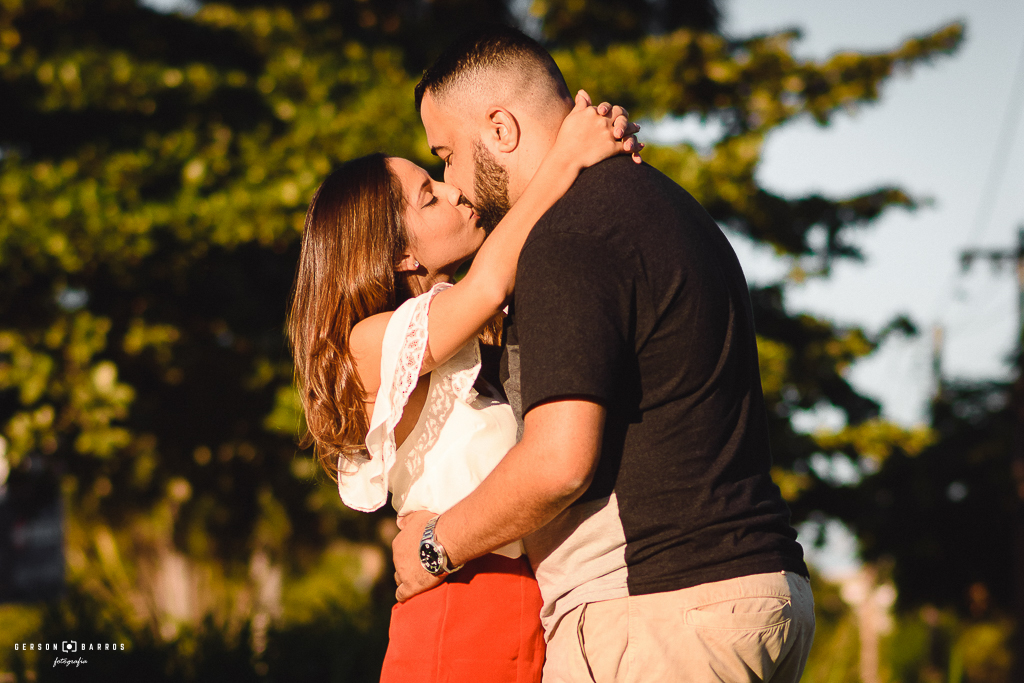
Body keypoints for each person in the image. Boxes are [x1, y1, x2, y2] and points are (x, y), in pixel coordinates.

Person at [391, 25, 816, 683]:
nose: (453, 180)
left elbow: (559, 461)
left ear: (500, 129)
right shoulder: (674, 208)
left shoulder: (570, 237)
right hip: (756, 593)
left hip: (655, 613)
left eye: (446, 154)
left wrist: (432, 546)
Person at [286, 90, 641, 683]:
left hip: (533, 613)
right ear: (398, 253)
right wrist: (566, 157)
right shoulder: (370, 344)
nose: (453, 190)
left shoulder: (464, 329)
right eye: (430, 195)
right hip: (460, 618)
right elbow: (489, 283)